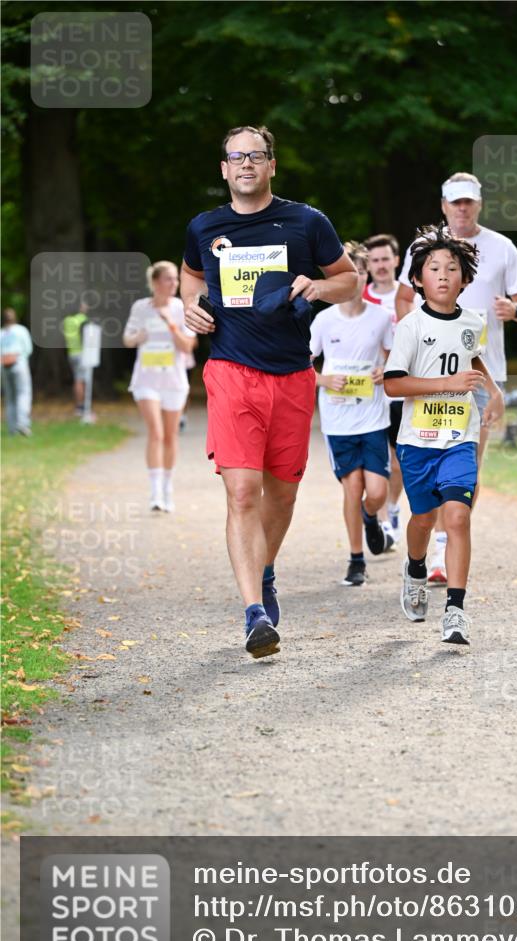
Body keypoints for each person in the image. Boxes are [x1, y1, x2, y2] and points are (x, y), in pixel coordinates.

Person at [180, 124, 356, 659]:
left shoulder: (307, 222)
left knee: (282, 495)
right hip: (231, 370)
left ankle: (266, 569)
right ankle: (254, 613)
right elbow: (191, 274)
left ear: (271, 165)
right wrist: (190, 307)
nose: (246, 165)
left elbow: (348, 279)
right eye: (236, 157)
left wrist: (318, 287)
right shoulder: (205, 227)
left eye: (256, 156)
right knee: (242, 492)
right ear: (224, 169)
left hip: (293, 374)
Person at [395, 172, 517, 584]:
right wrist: (414, 344)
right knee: (428, 462)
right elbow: (403, 299)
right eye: (454, 201)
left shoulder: (502, 247)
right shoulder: (424, 248)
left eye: (468, 201)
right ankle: (428, 542)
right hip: (428, 376)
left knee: (466, 464)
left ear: (478, 204)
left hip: (481, 374)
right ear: (443, 205)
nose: (461, 208)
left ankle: (444, 548)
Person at [384, 223, 504, 645]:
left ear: (465, 279)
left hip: (459, 437)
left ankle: (455, 610)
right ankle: (416, 568)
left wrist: (494, 392)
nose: (442, 275)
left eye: (452, 268)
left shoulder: (473, 321)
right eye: (433, 268)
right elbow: (393, 384)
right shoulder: (410, 326)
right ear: (418, 279)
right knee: (423, 518)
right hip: (417, 441)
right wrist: (446, 384)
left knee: (457, 516)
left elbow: (473, 358)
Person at [310, 241, 394, 586]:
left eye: (360, 272)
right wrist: (325, 379)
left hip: (373, 416)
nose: (356, 278)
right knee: (352, 485)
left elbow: (394, 358)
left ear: (366, 276)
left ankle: (369, 515)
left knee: (376, 492)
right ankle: (356, 560)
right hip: (338, 418)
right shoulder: (323, 320)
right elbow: (300, 367)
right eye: (350, 272)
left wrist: (385, 371)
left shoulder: (381, 318)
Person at [123, 261, 196, 512]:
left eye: (176, 279)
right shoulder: (140, 308)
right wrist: (138, 336)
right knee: (156, 432)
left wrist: (171, 324)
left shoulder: (180, 308)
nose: (174, 283)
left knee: (170, 435)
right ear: (155, 282)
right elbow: (127, 339)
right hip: (146, 379)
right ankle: (155, 493)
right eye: (169, 279)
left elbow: (187, 346)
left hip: (173, 380)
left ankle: (167, 488)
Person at [363, 232, 404, 539]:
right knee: (379, 461)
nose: (380, 265)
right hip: (370, 392)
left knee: (399, 461)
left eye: (385, 259)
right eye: (374, 260)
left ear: (396, 261)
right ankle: (381, 519)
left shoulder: (411, 296)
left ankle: (392, 506)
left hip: (402, 389)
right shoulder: (360, 297)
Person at [1, 308, 33, 437]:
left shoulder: (1, 333)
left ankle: (12, 428)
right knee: (23, 393)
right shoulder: (21, 330)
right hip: (19, 363)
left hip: (4, 366)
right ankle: (23, 424)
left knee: (10, 397)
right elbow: (28, 349)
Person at [62, 299, 89, 416]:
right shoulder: (83, 319)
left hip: (71, 353)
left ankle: (79, 405)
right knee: (81, 381)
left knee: (77, 379)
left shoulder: (67, 320)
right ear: (79, 307)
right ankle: (82, 406)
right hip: (82, 353)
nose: (86, 307)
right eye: (84, 305)